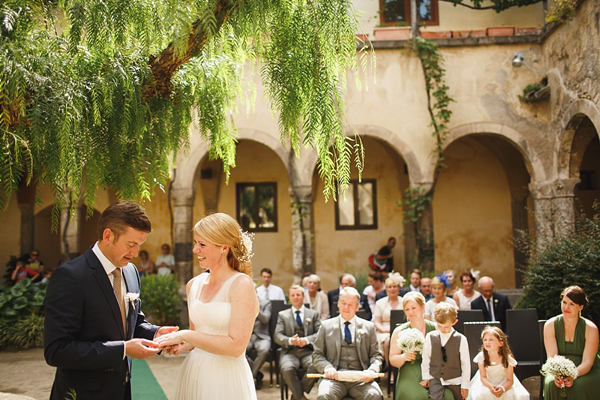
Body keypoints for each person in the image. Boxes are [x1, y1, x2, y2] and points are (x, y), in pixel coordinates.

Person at [43, 201, 177, 400]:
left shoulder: (130, 272)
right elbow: (57, 350)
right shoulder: (71, 277)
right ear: (108, 236)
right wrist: (123, 349)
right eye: (131, 245)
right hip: (82, 394)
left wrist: (156, 333)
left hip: (122, 391)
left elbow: (131, 322)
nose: (135, 253)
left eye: (139, 246)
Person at [155, 212, 259, 400]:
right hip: (194, 372)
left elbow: (236, 346)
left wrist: (185, 334)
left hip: (226, 378)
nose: (195, 250)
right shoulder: (193, 285)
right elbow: (198, 334)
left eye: (202, 244)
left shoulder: (241, 284)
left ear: (224, 247)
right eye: (196, 243)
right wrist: (181, 345)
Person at [312, 287, 384, 400]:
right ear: (338, 304)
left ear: (357, 306)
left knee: (375, 395)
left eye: (350, 304)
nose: (346, 307)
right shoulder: (325, 326)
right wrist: (327, 367)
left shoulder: (369, 327)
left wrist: (372, 371)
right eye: (343, 303)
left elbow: (376, 356)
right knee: (324, 395)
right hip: (334, 379)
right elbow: (317, 355)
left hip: (361, 380)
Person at [390, 292, 453, 400]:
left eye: (414, 308)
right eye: (407, 309)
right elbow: (392, 359)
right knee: (418, 396)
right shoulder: (399, 331)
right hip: (410, 370)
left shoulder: (435, 328)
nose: (411, 312)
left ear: (422, 307)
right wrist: (404, 357)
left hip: (434, 370)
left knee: (448, 395)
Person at [542, 286, 600, 400]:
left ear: (581, 307)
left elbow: (588, 362)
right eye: (564, 302)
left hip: (586, 370)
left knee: (577, 386)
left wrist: (573, 375)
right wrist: (557, 375)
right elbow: (552, 357)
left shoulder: (590, 328)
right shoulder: (550, 325)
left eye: (572, 304)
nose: (566, 307)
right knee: (551, 384)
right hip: (558, 371)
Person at [275, 285, 322, 400]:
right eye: (293, 295)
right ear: (289, 298)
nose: (295, 297)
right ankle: (301, 397)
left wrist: (306, 340)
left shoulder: (313, 314)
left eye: (298, 295)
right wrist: (291, 340)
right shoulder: (282, 315)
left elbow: (320, 333)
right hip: (290, 352)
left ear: (303, 296)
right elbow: (277, 335)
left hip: (308, 352)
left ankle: (296, 395)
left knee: (317, 365)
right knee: (286, 368)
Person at [421, 302, 470, 400]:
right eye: (440, 326)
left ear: (454, 322)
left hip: (455, 378)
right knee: (434, 398)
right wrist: (426, 377)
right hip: (436, 377)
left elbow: (466, 363)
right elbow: (426, 358)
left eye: (446, 327)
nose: (443, 329)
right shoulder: (431, 336)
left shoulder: (461, 339)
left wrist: (465, 385)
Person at [468, 326, 529, 400]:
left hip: (504, 383)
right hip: (487, 384)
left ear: (500, 343)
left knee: (510, 395)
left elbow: (510, 380)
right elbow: (483, 377)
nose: (487, 342)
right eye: (485, 340)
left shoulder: (507, 359)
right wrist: (491, 387)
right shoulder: (481, 357)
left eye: (491, 340)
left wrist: (502, 388)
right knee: (481, 395)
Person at [374, 272, 404, 366]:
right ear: (386, 289)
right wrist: (385, 330)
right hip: (384, 331)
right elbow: (377, 322)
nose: (392, 289)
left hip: (401, 330)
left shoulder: (404, 301)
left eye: (394, 286)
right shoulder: (380, 303)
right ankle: (389, 366)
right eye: (389, 287)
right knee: (387, 342)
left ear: (398, 288)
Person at [246, 295, 271, 389]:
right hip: (247, 336)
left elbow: (265, 319)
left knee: (264, 350)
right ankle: (258, 374)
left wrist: (255, 305)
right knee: (240, 351)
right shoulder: (242, 301)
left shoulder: (266, 303)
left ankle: (251, 377)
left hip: (262, 336)